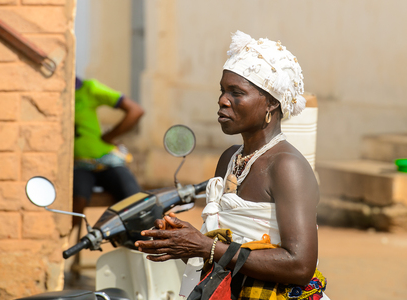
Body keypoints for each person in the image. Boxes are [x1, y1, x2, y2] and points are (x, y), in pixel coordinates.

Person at [135, 31, 328, 299]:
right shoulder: (230, 158)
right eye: (223, 90)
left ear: (271, 103)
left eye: (237, 93)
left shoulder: (286, 166)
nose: (223, 100)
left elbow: (300, 265)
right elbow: (223, 252)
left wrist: (205, 246)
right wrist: (184, 243)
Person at [73, 77, 144, 227]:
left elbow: (136, 111)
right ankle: (66, 245)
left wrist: (110, 135)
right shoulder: (54, 93)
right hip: (79, 165)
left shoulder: (87, 89)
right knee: (76, 202)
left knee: (135, 200)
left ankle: (136, 241)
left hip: (107, 161)